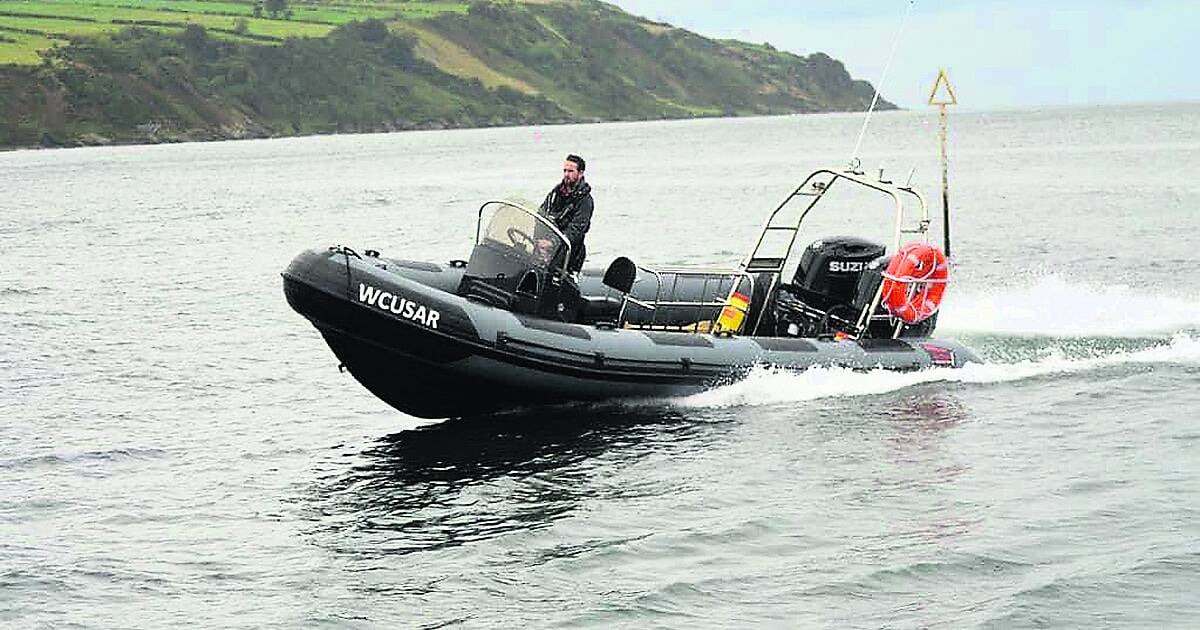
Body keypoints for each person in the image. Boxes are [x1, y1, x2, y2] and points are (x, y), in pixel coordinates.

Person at [537, 154, 593, 274]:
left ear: (581, 173)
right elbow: (541, 215)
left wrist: (552, 243)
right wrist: (538, 238)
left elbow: (576, 229)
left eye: (571, 171)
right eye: (565, 171)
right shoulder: (555, 194)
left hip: (569, 254)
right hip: (546, 249)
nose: (567, 174)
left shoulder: (585, 201)